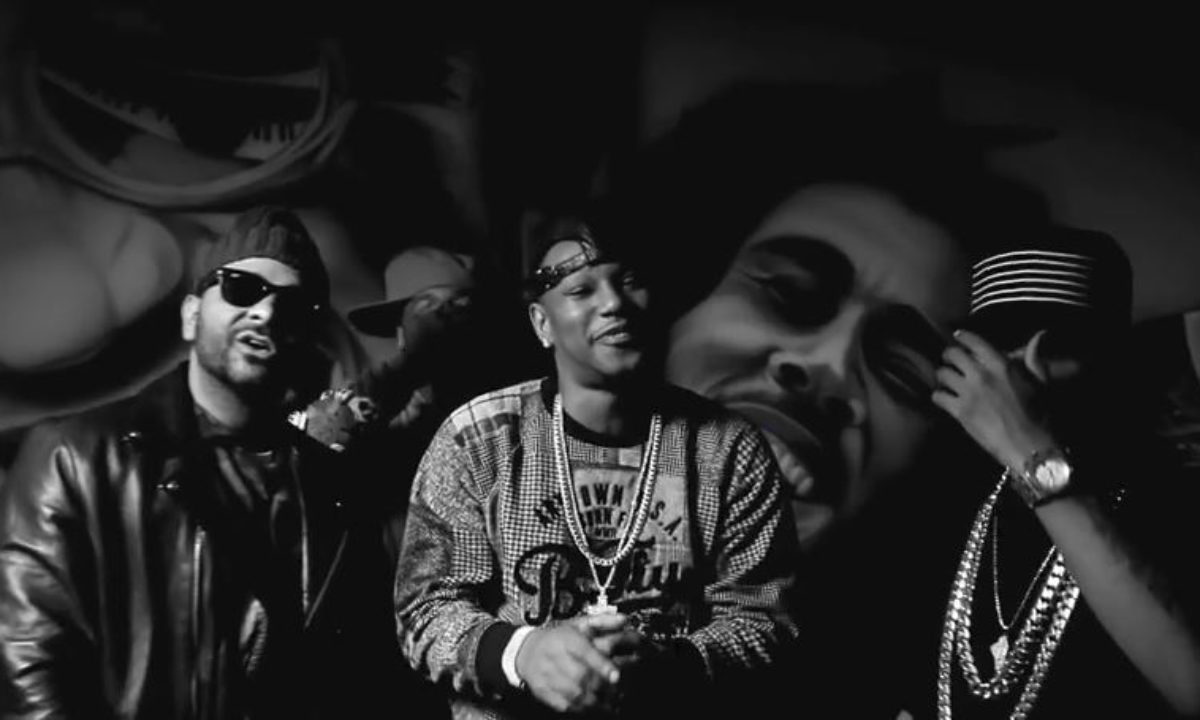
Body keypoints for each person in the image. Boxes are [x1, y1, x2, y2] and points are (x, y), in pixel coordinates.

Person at [0, 206, 428, 719]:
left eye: (292, 305)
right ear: (191, 315)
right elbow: (27, 660)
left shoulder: (328, 482)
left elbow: (360, 671)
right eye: (241, 289)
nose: (266, 313)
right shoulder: (74, 456)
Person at [394, 209, 799, 719]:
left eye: (629, 281)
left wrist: (669, 665)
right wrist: (523, 654)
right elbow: (425, 609)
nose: (613, 304)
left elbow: (765, 620)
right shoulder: (480, 438)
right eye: (582, 290)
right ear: (542, 324)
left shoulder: (726, 448)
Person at [925, 227, 1200, 718]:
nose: (1011, 374)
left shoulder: (1170, 499)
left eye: (1054, 346)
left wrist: (1030, 450)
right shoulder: (942, 492)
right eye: (995, 345)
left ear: (1113, 358)